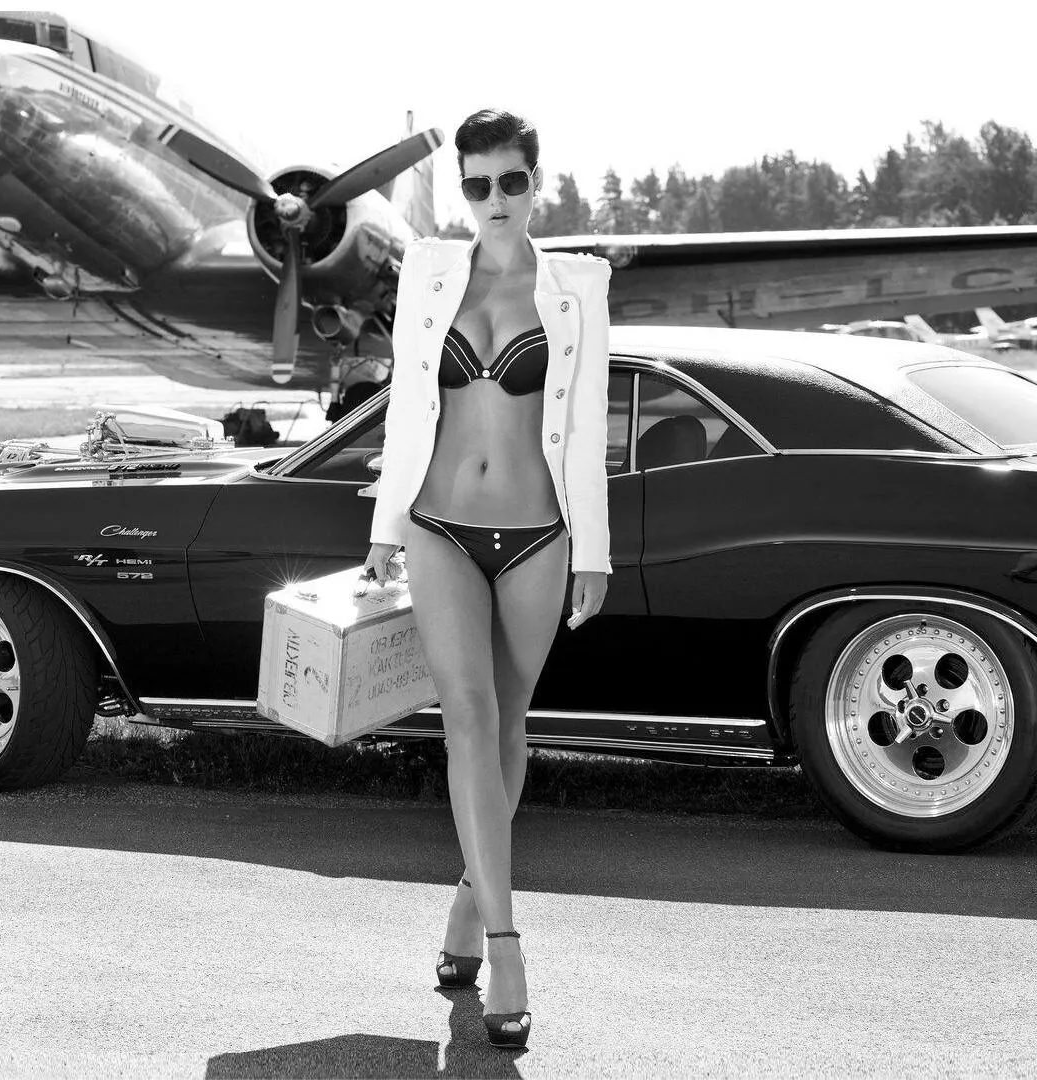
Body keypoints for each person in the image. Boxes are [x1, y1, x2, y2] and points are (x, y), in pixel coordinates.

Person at [362, 108, 612, 1050]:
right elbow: (401, 405)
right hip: (436, 526)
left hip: (540, 535)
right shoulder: (428, 272)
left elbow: (585, 425)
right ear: (461, 188)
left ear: (537, 183)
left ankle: (469, 906)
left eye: (511, 181)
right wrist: (386, 526)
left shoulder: (577, 286)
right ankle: (507, 945)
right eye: (477, 184)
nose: (494, 201)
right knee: (465, 718)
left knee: (509, 726)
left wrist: (594, 548)